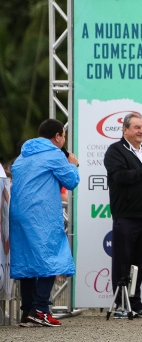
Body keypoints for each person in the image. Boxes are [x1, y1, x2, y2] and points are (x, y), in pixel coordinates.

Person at [11, 119, 79, 327]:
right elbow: (71, 181)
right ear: (58, 136)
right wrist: (73, 165)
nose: (63, 140)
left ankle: (27, 312)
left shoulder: (23, 155)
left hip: (18, 214)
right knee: (53, 257)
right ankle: (40, 309)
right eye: (63, 137)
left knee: (28, 262)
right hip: (41, 214)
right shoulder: (55, 155)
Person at [103, 112, 142, 318]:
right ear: (125, 129)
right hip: (125, 215)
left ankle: (135, 302)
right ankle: (120, 304)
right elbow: (120, 177)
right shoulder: (115, 151)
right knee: (122, 260)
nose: (141, 131)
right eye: (137, 127)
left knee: (140, 261)